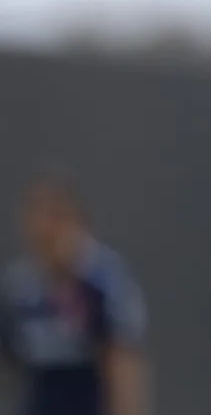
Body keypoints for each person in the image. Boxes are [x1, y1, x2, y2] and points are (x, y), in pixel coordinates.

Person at [0, 172, 149, 415]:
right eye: (37, 217)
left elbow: (123, 363)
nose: (46, 230)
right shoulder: (19, 287)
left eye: (56, 218)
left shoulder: (103, 281)